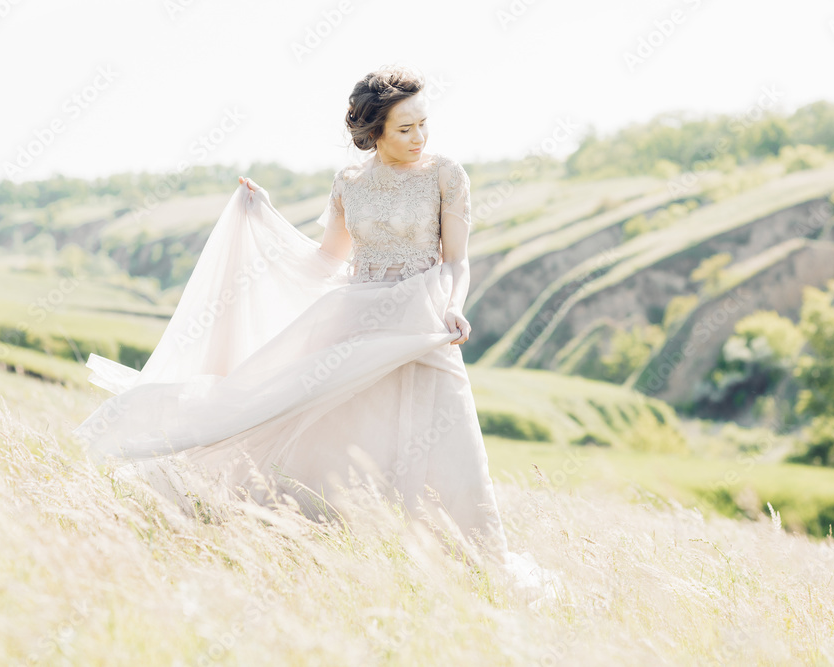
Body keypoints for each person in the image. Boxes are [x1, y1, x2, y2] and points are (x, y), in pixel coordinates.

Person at [73, 65, 559, 601]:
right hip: (355, 322)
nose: (420, 137)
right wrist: (264, 216)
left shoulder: (447, 175)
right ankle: (329, 551)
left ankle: (478, 575)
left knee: (452, 450)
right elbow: (327, 259)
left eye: (424, 123)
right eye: (405, 129)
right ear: (371, 132)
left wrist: (454, 306)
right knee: (333, 439)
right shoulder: (349, 183)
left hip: (424, 323)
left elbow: (459, 262)